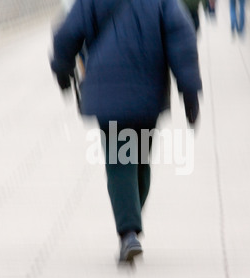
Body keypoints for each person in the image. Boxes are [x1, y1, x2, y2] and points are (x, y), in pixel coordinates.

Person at [50, 0, 202, 263]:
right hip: (148, 91)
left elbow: (67, 33)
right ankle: (130, 224)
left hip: (107, 90)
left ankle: (128, 231)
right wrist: (189, 92)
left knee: (120, 160)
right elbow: (182, 36)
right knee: (140, 160)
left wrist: (62, 72)